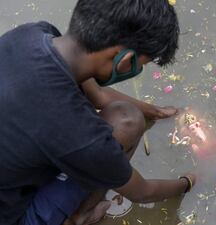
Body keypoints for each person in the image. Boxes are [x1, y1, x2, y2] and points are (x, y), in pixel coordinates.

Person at [0, 0, 196, 225]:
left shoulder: (32, 33)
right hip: (12, 216)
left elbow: (99, 95)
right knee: (128, 122)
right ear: (125, 60)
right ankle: (78, 218)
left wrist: (154, 111)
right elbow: (142, 192)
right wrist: (188, 182)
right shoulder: (80, 132)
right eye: (141, 64)